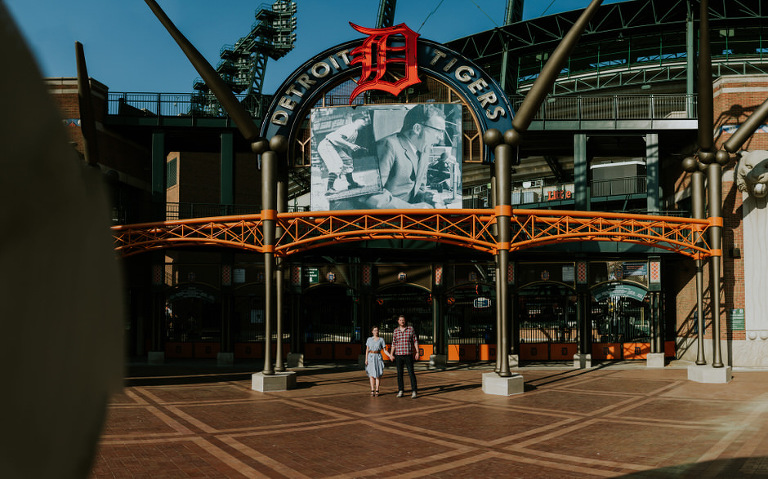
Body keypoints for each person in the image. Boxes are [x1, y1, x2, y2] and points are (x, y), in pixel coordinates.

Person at [366, 104, 447, 209]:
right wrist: (413, 209)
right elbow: (372, 196)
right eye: (438, 131)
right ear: (417, 129)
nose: (441, 138)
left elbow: (416, 189)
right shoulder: (387, 145)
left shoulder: (424, 150)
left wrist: (424, 197)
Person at [317, 112, 370, 194]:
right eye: (362, 119)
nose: (364, 121)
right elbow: (334, 137)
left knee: (348, 161)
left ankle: (352, 184)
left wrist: (351, 149)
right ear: (356, 120)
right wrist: (350, 145)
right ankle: (329, 188)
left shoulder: (355, 132)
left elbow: (347, 147)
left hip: (334, 146)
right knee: (337, 164)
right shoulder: (350, 128)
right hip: (327, 144)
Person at [390, 314, 419, 398]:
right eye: (400, 320)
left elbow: (415, 341)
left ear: (405, 321)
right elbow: (393, 343)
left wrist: (417, 352)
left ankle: (414, 391)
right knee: (399, 373)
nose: (402, 321)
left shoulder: (410, 329)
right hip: (398, 355)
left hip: (408, 354)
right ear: (398, 321)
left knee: (411, 373)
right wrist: (391, 354)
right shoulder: (395, 331)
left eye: (403, 320)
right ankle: (401, 390)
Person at [364, 326, 391, 396]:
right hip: (371, 357)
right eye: (374, 330)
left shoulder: (381, 340)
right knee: (371, 374)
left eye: (377, 330)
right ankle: (372, 389)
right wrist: (366, 359)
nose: (376, 332)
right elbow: (367, 350)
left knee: (378, 374)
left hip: (378, 356)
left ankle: (377, 389)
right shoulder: (369, 339)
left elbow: (384, 350)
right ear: (372, 331)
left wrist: (390, 355)